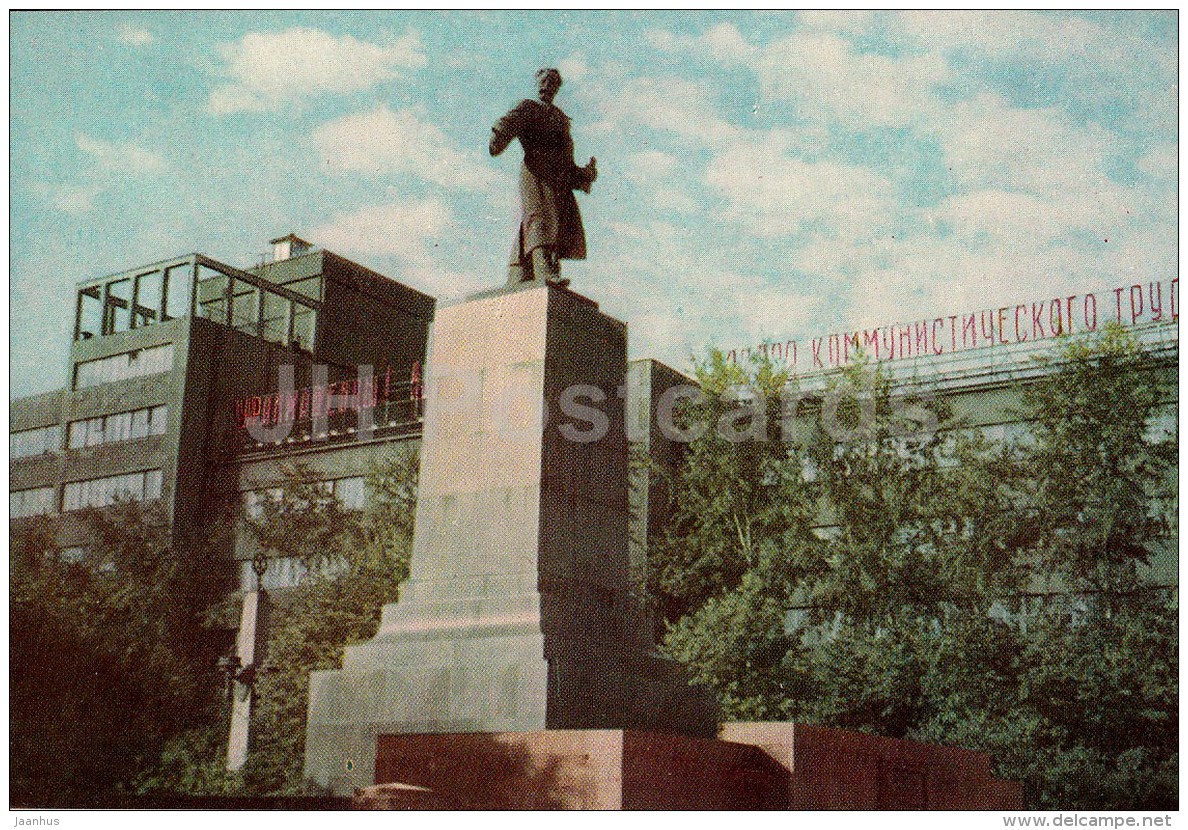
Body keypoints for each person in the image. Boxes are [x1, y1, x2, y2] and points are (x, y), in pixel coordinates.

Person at [490, 68, 597, 287]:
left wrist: (586, 174)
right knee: (540, 218)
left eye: (553, 83)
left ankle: (518, 272)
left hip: (558, 181)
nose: (547, 86)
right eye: (544, 81)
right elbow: (507, 124)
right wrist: (499, 134)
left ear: (558, 88)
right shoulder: (529, 107)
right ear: (537, 83)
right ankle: (544, 271)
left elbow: (568, 163)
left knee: (548, 223)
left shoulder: (561, 119)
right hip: (536, 172)